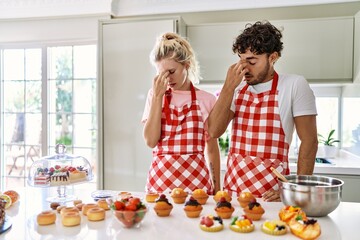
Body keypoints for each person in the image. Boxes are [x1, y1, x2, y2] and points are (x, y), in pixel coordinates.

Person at [208, 21, 318, 201]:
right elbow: (214, 130)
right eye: (242, 60)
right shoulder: (236, 89)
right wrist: (228, 87)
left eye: (252, 61)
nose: (244, 68)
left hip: (272, 196)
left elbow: (310, 141)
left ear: (273, 57)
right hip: (234, 196)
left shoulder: (294, 85)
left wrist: (294, 190)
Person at [142, 32, 220, 195]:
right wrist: (158, 97)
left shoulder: (207, 99)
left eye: (171, 71)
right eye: (162, 73)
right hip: (160, 185)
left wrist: (217, 189)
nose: (167, 79)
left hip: (197, 185)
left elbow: (212, 148)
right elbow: (150, 141)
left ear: (187, 65)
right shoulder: (154, 95)